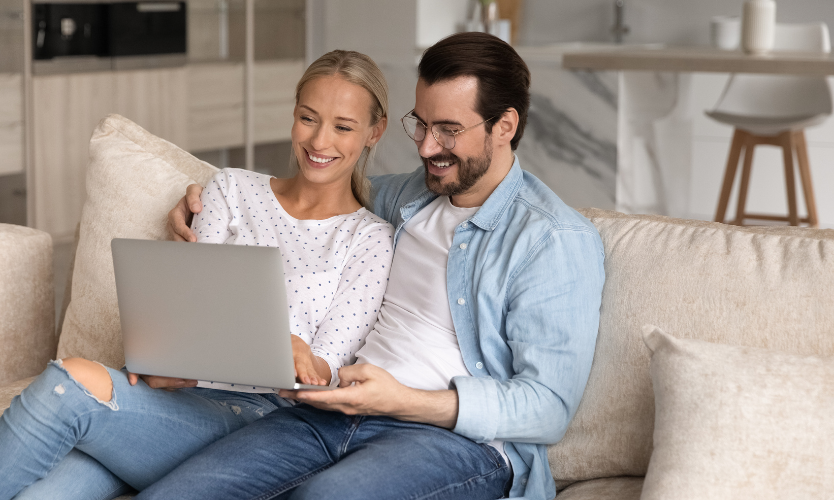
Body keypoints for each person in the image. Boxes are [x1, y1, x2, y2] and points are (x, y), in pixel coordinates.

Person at [148, 32, 606, 500]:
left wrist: (402, 401)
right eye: (421, 125)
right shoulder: (403, 197)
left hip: (450, 442)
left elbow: (548, 408)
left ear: (504, 126)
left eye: (449, 129)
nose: (427, 148)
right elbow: (313, 187)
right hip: (329, 415)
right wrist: (197, 197)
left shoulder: (553, 241)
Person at [0, 50, 395, 500]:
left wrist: (295, 354)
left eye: (343, 126)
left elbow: (328, 373)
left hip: (260, 421)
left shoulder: (369, 240)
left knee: (71, 382)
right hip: (170, 396)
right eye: (308, 118)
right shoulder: (232, 189)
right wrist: (162, 358)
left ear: (374, 131)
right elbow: (187, 303)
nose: (319, 141)